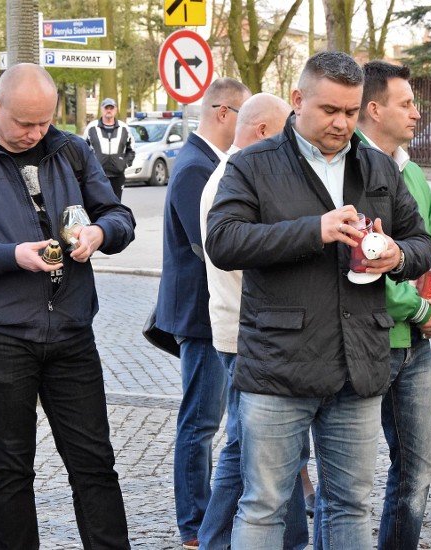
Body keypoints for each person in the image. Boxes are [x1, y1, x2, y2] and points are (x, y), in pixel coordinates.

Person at [204, 51, 431, 549]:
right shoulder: (252, 164)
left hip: (359, 365)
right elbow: (222, 241)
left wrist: (396, 256)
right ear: (297, 100)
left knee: (350, 504)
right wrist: (315, 230)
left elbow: (423, 243)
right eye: (330, 110)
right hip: (279, 365)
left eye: (351, 112)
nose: (342, 123)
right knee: (264, 505)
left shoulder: (377, 165)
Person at [0, 63, 135, 548]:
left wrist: (101, 233)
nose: (36, 134)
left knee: (95, 465)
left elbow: (119, 215)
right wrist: (8, 256)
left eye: (45, 122)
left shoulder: (73, 150)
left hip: (72, 334)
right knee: (11, 469)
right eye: (25, 124)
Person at [357, 60, 431, 550]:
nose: (417, 113)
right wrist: (420, 308)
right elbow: (364, 263)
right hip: (364, 343)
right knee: (352, 481)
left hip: (414, 351)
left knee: (419, 466)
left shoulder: (415, 173)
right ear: (374, 108)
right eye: (407, 104)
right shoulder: (350, 171)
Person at [196, 92, 309, 550]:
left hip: (248, 330)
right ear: (263, 130)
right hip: (247, 334)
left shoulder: (241, 172)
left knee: (277, 448)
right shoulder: (238, 176)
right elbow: (243, 258)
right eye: (285, 131)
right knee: (248, 448)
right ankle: (216, 539)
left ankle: (292, 538)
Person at [154, 77, 251, 550]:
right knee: (200, 421)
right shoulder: (196, 166)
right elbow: (210, 245)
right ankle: (194, 524)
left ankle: (209, 518)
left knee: (214, 418)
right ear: (222, 112)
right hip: (201, 316)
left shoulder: (207, 162)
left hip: (208, 314)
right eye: (245, 115)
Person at [84, 97, 135, 200]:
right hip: (97, 175)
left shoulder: (124, 128)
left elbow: (131, 149)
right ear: (102, 109)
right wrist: (89, 167)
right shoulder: (92, 128)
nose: (109, 111)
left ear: (115, 110)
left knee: (116, 203)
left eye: (111, 108)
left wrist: (124, 163)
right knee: (99, 203)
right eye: (106, 108)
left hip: (117, 175)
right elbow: (84, 149)